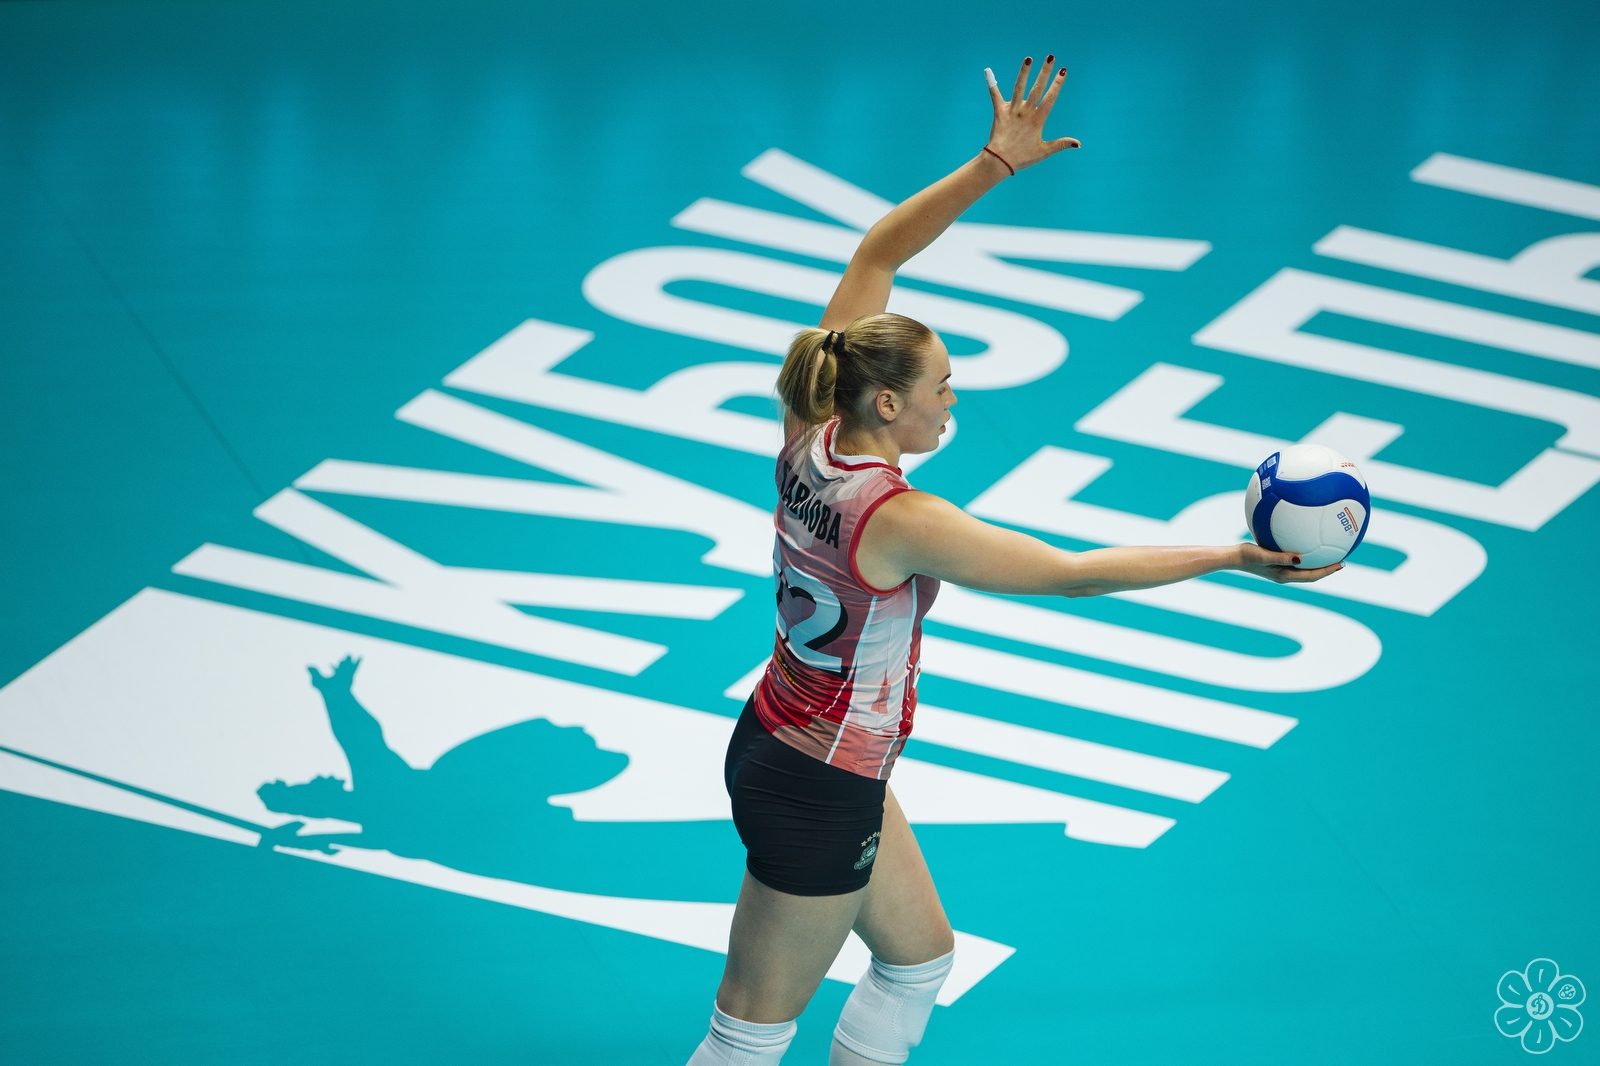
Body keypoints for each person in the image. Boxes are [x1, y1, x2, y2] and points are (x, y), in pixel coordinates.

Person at [687, 55, 1341, 1066]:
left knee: (918, 960)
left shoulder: (810, 417)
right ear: (889, 403)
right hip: (819, 780)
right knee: (748, 1034)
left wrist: (993, 164)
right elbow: (1073, 573)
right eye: (943, 386)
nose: (955, 398)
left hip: (789, 740)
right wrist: (1230, 555)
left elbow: (878, 250)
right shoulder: (899, 517)